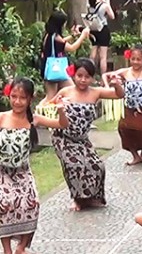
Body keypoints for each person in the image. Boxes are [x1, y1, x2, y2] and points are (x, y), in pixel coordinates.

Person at [0, 77, 69, 254]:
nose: (17, 101)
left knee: (32, 204)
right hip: (1, 171)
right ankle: (7, 252)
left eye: (22, 98)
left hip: (22, 171)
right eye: (14, 96)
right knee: (5, 204)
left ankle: (21, 248)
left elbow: (62, 124)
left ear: (30, 99)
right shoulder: (0, 118)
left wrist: (61, 110)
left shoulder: (34, 119)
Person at [52, 58, 124, 211]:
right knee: (75, 165)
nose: (83, 80)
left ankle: (92, 198)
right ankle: (78, 200)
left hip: (82, 139)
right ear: (74, 76)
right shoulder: (66, 92)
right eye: (79, 76)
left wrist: (116, 84)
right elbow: (48, 105)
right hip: (63, 137)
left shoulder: (96, 92)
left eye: (87, 77)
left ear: (92, 78)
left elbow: (119, 95)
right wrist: (57, 106)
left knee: (97, 166)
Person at [41, 10, 92, 101]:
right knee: (52, 97)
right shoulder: (56, 37)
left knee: (54, 95)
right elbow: (72, 48)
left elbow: (61, 42)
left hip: (50, 68)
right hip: (56, 69)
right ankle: (38, 111)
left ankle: (42, 111)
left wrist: (73, 35)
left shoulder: (50, 35)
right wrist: (82, 36)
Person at [87, 0, 115, 75]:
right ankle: (103, 78)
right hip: (103, 30)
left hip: (93, 29)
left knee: (93, 54)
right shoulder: (104, 5)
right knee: (103, 57)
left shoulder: (90, 5)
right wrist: (108, 4)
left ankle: (90, 75)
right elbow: (112, 16)